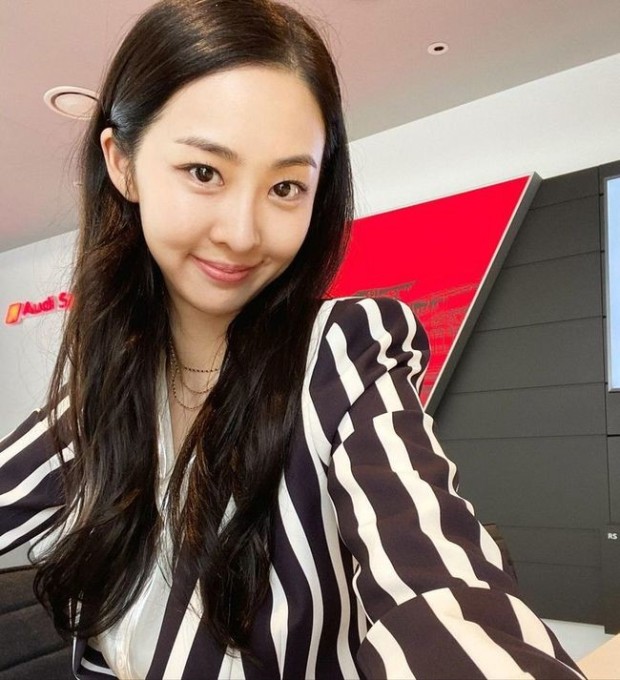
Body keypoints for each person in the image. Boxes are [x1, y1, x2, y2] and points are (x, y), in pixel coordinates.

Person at [0, 1, 586, 678]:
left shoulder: (344, 353)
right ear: (122, 163)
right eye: (204, 172)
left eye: (285, 187)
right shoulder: (98, 403)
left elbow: (442, 586)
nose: (243, 233)